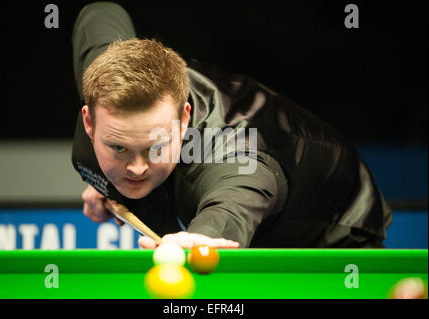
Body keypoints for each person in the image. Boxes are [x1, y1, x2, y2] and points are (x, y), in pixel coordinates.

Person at [71, 2, 393, 249]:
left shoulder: (233, 152)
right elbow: (99, 13)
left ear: (184, 120)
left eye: (156, 146)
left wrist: (202, 238)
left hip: (331, 225)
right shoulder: (105, 81)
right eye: (119, 147)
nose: (137, 169)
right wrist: (107, 183)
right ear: (90, 120)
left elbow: (232, 206)